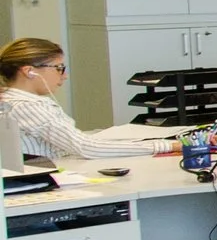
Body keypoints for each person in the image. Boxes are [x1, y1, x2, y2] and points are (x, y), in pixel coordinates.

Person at [0, 38, 175, 161]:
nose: (64, 76)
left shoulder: (10, 101)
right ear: (29, 71)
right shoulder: (27, 107)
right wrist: (167, 146)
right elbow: (86, 147)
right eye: (59, 68)